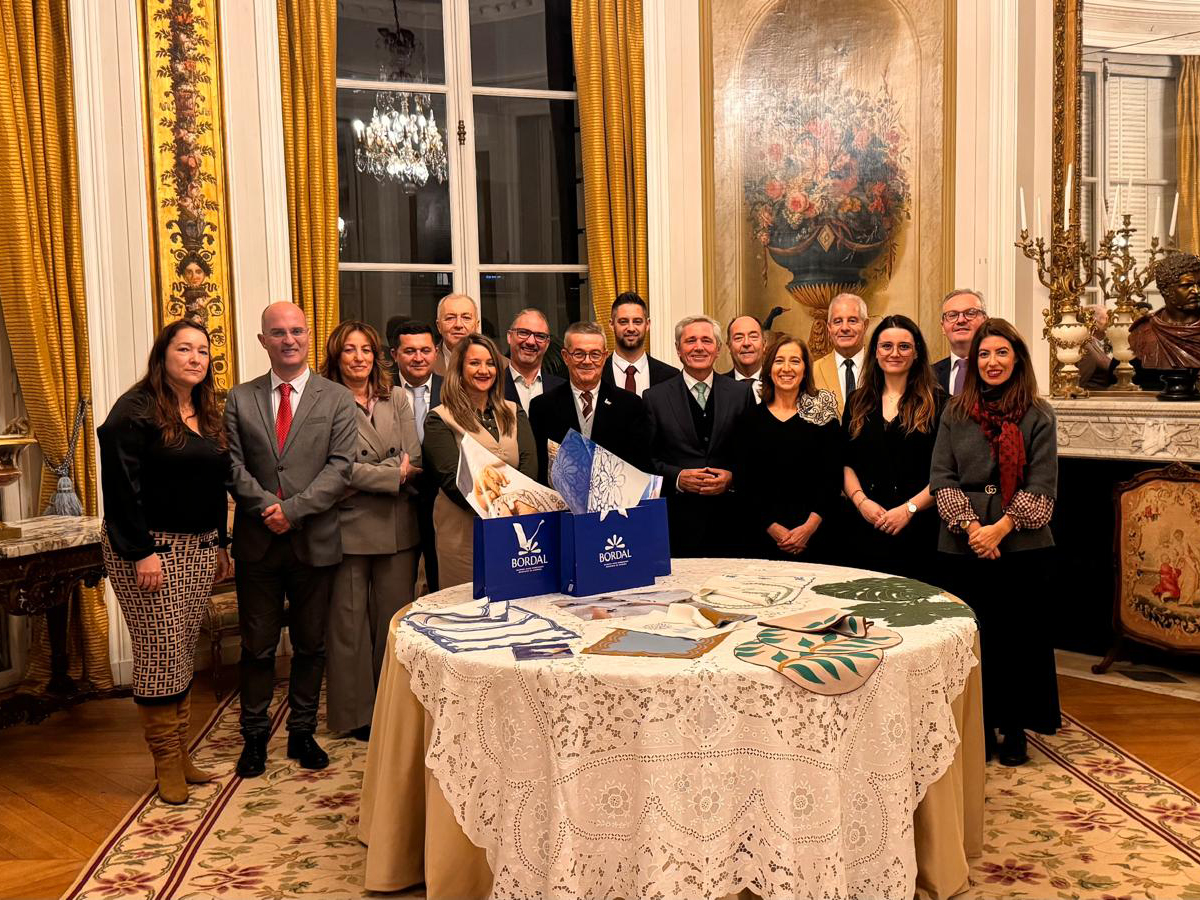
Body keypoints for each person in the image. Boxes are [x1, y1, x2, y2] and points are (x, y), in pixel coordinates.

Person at [98, 319, 232, 804]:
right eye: (184, 349)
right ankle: (166, 762)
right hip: (147, 550)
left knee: (180, 650)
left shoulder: (205, 410)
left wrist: (221, 543)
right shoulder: (133, 412)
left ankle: (182, 753)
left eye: (203, 351)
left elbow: (214, 484)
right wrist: (141, 552)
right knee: (159, 651)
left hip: (198, 548)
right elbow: (121, 491)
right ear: (163, 354)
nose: (195, 358)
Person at [225, 302, 357, 778]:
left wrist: (294, 511)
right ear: (263, 340)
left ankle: (302, 731)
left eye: (296, 331)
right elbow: (232, 466)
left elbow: (341, 467)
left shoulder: (336, 398)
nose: (289, 340)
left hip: (314, 540)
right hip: (258, 543)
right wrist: (269, 509)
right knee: (257, 647)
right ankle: (254, 736)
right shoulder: (239, 398)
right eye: (278, 332)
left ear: (308, 336)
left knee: (311, 645)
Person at [930, 317, 1060, 766]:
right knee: (972, 641)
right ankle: (980, 727)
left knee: (1018, 641)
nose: (992, 361)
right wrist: (973, 529)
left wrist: (1000, 529)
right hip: (961, 544)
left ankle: (1016, 727)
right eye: (984, 354)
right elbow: (942, 478)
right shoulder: (955, 411)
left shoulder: (1039, 414)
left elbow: (1042, 487)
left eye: (1001, 352)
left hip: (1022, 545)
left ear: (1017, 358)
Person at [319, 321, 422, 741]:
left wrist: (369, 474)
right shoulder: (322, 400)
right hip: (346, 527)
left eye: (366, 349)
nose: (359, 357)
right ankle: (355, 715)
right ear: (336, 356)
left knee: (392, 624)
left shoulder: (395, 397)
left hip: (397, 527)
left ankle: (389, 712)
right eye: (349, 350)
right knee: (348, 627)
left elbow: (414, 457)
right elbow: (332, 470)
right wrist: (390, 473)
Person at [422, 334, 538, 588]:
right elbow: (453, 480)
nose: (484, 370)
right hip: (463, 530)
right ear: (459, 369)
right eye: (474, 363)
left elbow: (530, 467)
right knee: (468, 602)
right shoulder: (439, 418)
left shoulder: (514, 411)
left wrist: (511, 511)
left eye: (490, 363)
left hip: (513, 527)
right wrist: (498, 508)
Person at [842, 315, 943, 582]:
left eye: (904, 346)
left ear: (917, 352)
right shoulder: (856, 401)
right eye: (886, 346)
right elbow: (846, 462)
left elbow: (946, 472)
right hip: (864, 526)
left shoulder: (940, 403)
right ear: (875, 352)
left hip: (919, 529)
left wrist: (908, 510)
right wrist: (862, 502)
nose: (894, 353)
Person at [643, 315, 755, 557]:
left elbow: (753, 455)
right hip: (678, 524)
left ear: (718, 349)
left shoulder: (741, 394)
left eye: (706, 340)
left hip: (731, 522)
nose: (699, 347)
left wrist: (732, 478)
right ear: (678, 349)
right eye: (690, 340)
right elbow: (646, 460)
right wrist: (677, 477)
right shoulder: (654, 397)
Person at [735, 335, 842, 560]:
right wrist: (773, 528)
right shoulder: (749, 420)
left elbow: (832, 480)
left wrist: (808, 528)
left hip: (817, 538)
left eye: (795, 361)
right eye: (779, 361)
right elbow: (745, 483)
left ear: (805, 370)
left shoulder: (824, 418)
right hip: (760, 538)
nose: (786, 368)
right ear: (769, 369)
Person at [529, 321, 652, 483]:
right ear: (565, 356)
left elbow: (641, 466)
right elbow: (539, 468)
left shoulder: (630, 405)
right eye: (579, 354)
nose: (587, 361)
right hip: (559, 497)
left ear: (604, 357)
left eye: (595, 354)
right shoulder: (542, 407)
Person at [392, 320, 442, 593]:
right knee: (398, 590)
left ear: (436, 352)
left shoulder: (454, 390)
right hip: (396, 503)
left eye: (425, 350)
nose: (419, 358)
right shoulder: (381, 391)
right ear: (394, 355)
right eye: (410, 351)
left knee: (441, 586)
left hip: (442, 504)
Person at [1129, 252, 1200, 370]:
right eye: (1187, 285)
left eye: (1199, 285)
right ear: (1166, 289)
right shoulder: (1142, 331)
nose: (1196, 291)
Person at [601, 291, 678, 396]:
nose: (631, 328)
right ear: (611, 324)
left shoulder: (671, 377)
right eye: (623, 322)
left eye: (637, 321)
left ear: (647, 324)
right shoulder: (596, 374)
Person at [812, 293, 869, 416]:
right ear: (829, 328)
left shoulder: (881, 367)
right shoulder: (812, 371)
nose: (844, 328)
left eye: (852, 321)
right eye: (837, 321)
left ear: (865, 325)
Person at [504, 308, 564, 413]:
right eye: (523, 333)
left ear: (547, 343)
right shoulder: (492, 385)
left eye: (540, 336)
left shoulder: (563, 389)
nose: (531, 342)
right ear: (509, 337)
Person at [932, 289, 988, 396]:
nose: (961, 320)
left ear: (985, 321)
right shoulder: (929, 376)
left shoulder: (997, 369)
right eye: (952, 315)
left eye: (970, 313)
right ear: (943, 327)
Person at [432, 293, 480, 377]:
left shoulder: (500, 365)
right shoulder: (426, 363)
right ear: (439, 326)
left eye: (466, 318)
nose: (458, 325)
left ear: (477, 325)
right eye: (450, 318)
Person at [722, 315, 766, 402]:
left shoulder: (778, 384)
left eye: (753, 337)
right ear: (729, 346)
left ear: (764, 344)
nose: (746, 343)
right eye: (738, 338)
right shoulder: (716, 387)